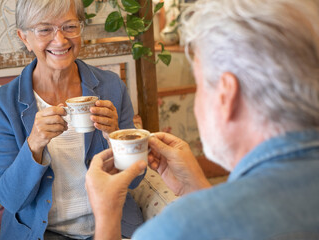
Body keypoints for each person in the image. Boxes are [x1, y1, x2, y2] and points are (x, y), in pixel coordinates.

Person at [85, 0, 319, 239]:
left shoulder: (174, 230)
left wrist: (107, 216)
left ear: (227, 95)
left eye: (201, 86)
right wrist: (197, 189)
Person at [0, 0, 144, 239]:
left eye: (69, 26)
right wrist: (34, 144)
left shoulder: (112, 87)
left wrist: (115, 138)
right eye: (44, 29)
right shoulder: (3, 104)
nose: (60, 40)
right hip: (41, 233)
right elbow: (10, 198)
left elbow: (136, 178)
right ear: (25, 38)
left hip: (111, 224)